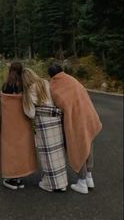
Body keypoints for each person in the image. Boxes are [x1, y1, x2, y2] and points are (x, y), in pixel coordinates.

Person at [48, 64, 102, 194]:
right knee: (87, 143)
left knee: (78, 147)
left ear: (51, 75)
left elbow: (57, 104)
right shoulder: (72, 80)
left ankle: (82, 182)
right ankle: (89, 177)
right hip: (88, 115)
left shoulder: (54, 86)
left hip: (75, 120)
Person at [22, 68, 68, 192]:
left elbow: (30, 113)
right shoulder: (45, 82)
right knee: (57, 152)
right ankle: (62, 183)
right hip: (56, 119)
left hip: (43, 122)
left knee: (47, 153)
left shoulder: (29, 90)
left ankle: (50, 183)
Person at [0, 61, 37, 190]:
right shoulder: (24, 86)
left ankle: (11, 177)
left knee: (10, 149)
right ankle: (19, 176)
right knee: (21, 148)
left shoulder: (5, 86)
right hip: (22, 123)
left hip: (9, 124)